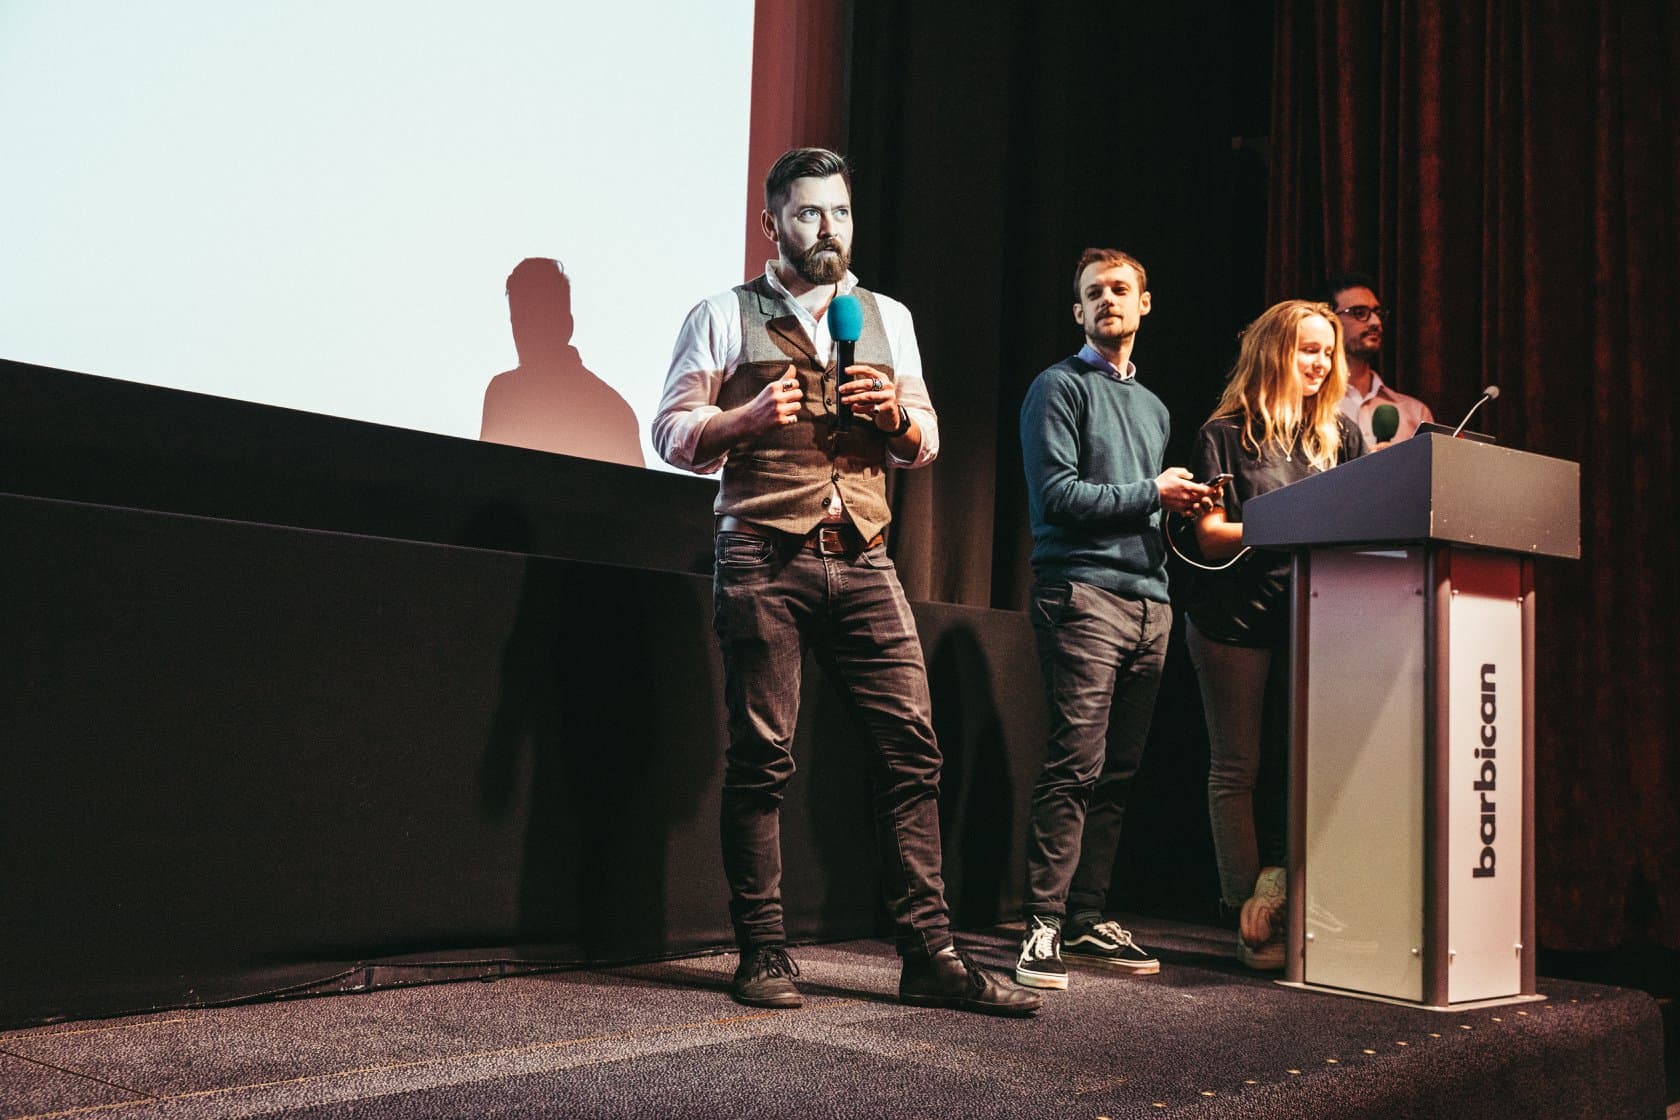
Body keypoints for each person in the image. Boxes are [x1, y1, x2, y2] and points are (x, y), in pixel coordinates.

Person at [652, 147, 1039, 1017]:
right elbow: (669, 431)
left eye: (840, 214)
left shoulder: (885, 317)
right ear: (772, 224)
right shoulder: (721, 314)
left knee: (911, 752)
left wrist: (897, 418)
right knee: (763, 760)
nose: (827, 231)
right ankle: (763, 953)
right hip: (762, 554)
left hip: (863, 554)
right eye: (808, 215)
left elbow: (928, 439)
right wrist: (739, 421)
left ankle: (929, 954)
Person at [1013, 248, 1216, 991]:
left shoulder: (1155, 406)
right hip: (1082, 596)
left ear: (1145, 303)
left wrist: (1180, 505)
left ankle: (1086, 915)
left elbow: (1140, 501)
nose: (1108, 300)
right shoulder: (1057, 388)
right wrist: (1150, 492)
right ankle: (1040, 923)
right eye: (1094, 293)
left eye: (1121, 289)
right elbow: (1058, 497)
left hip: (1151, 602)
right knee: (1075, 764)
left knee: (1119, 774)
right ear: (1078, 312)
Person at [1185, 299, 1365, 969]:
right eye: (1306, 349)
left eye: (1327, 352)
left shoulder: (1343, 438)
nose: (1319, 363)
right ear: (1272, 354)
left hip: (1318, 617)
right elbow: (1209, 534)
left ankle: (1289, 896)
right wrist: (1292, 523)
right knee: (1237, 768)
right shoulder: (1227, 433)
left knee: (1315, 765)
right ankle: (1244, 915)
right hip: (1233, 616)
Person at [1326, 272, 1433, 448]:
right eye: (1359, 313)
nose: (1375, 322)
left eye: (1377, 312)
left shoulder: (1415, 412)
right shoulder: (1312, 406)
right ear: (1330, 321)